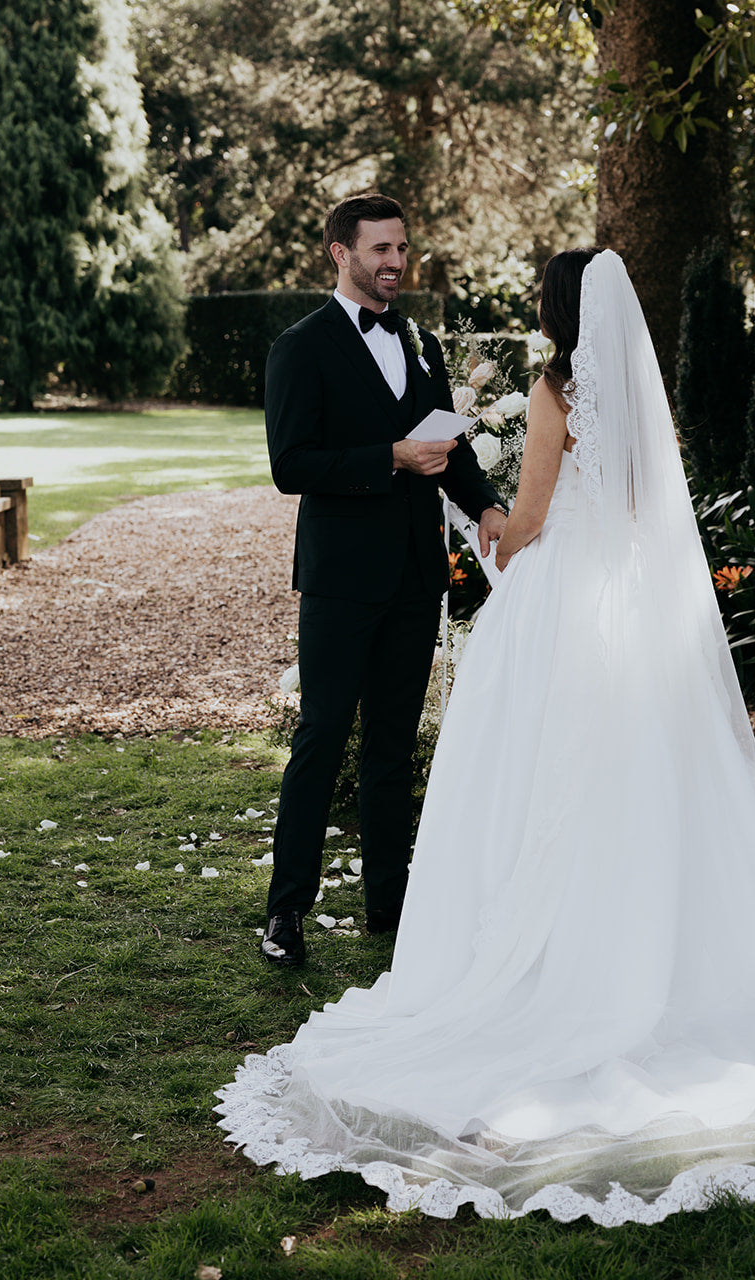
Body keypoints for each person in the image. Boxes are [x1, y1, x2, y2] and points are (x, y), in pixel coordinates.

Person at [220, 248, 755, 1225]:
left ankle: (552, 952)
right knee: (624, 776)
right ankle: (644, 934)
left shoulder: (555, 389)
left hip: (556, 612)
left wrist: (490, 525)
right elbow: (628, 510)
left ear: (553, 310)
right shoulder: (627, 397)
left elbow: (531, 517)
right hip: (624, 611)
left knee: (535, 778)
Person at [260, 192, 507, 969]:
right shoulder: (300, 347)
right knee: (323, 737)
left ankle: (390, 908)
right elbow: (289, 466)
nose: (395, 263)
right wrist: (387, 458)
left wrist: (487, 505)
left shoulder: (422, 342)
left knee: (393, 749)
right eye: (379, 250)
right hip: (339, 577)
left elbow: (451, 448)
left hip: (415, 572)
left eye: (402, 249)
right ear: (340, 252)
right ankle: (286, 912)